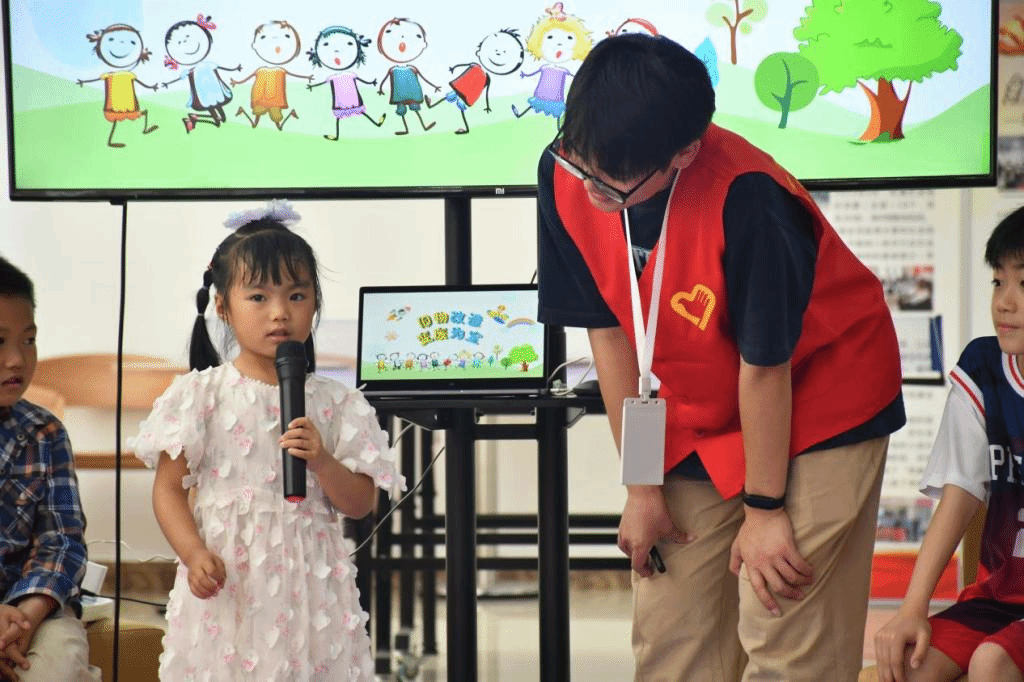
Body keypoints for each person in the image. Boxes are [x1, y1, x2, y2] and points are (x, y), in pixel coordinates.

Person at [536, 34, 906, 681]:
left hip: (821, 395)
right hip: (699, 404)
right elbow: (610, 334)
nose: (592, 189)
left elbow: (764, 368)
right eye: (583, 163)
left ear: (684, 152)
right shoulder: (566, 169)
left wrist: (765, 510)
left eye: (615, 184)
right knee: (672, 628)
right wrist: (642, 487)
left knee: (781, 613)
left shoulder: (751, 200)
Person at [129, 202, 404, 681]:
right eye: (258, 297)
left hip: (312, 592)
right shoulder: (200, 396)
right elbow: (168, 489)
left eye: (296, 295)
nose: (280, 313)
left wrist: (323, 462)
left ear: (315, 302)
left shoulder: (337, 402)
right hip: (230, 589)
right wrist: (193, 554)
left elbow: (361, 504)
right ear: (222, 306)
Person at [873, 208, 1024, 682]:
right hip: (996, 601)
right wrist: (912, 608)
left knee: (991, 662)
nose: (1005, 302)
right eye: (998, 282)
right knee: (904, 666)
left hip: (1003, 640)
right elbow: (960, 495)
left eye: (1023, 284)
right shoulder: (983, 366)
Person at [0, 256, 99, 682]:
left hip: (29, 606)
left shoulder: (45, 433)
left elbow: (62, 542)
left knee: (60, 662)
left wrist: (26, 615)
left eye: (29, 340)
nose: (16, 360)